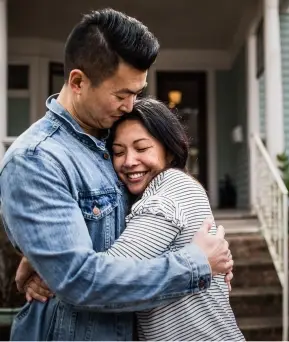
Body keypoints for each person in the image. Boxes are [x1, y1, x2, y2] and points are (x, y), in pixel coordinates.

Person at [0, 8, 233, 341]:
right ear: (78, 82)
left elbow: (145, 220)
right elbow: (80, 280)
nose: (130, 105)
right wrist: (196, 264)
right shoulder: (36, 159)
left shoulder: (111, 138)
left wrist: (211, 250)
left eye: (137, 93)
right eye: (121, 95)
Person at [24, 98, 245, 341]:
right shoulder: (142, 196)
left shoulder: (171, 188)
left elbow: (104, 281)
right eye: (118, 152)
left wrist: (50, 271)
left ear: (169, 150)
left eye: (141, 148)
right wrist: (36, 256)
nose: (129, 161)